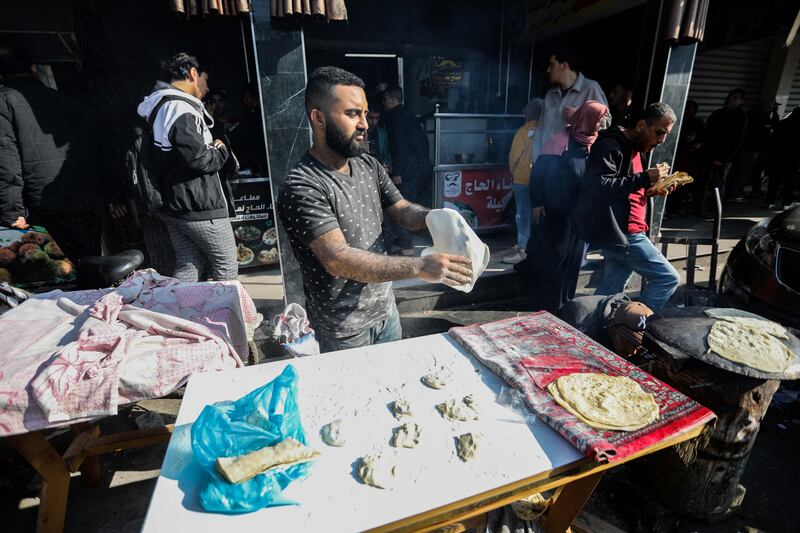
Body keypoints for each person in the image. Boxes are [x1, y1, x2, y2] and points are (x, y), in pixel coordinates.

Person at [278, 67, 473, 353]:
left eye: (365, 113)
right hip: (342, 329)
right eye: (352, 113)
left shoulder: (368, 165)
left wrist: (435, 217)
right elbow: (337, 258)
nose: (365, 124)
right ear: (318, 118)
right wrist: (420, 266)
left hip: (386, 314)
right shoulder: (302, 185)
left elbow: (402, 209)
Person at [136, 51, 237, 282]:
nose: (207, 87)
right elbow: (199, 159)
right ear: (193, 73)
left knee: (189, 264)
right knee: (226, 265)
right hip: (199, 205)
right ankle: (228, 317)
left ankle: (177, 314)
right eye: (206, 79)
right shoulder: (180, 108)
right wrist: (221, 149)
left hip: (177, 204)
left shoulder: (160, 107)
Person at [0, 48, 104, 262]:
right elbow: (96, 147)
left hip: (45, 203)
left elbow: (6, 160)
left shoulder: (4, 102)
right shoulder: (68, 101)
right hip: (86, 194)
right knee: (92, 261)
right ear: (34, 69)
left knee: (59, 267)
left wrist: (12, 211)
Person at [574, 102, 679, 312]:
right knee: (668, 278)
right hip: (626, 232)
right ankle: (633, 324)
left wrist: (652, 189)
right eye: (659, 133)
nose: (661, 141)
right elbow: (597, 186)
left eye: (665, 134)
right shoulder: (611, 145)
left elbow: (626, 188)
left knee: (610, 291)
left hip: (623, 233)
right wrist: (643, 178)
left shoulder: (636, 148)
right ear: (641, 125)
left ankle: (597, 327)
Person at [523, 100, 608, 312]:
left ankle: (564, 305)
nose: (601, 124)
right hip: (556, 213)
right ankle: (544, 306)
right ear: (584, 118)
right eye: (598, 119)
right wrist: (538, 203)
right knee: (554, 261)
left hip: (581, 215)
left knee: (573, 262)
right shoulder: (559, 142)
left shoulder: (595, 144)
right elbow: (538, 175)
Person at [532, 47, 610, 165]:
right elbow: (540, 131)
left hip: (574, 165)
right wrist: (535, 159)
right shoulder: (550, 95)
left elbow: (607, 122)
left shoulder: (591, 88)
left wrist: (581, 115)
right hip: (546, 163)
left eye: (552, 65)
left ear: (564, 65)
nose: (548, 70)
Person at [382, 85, 434, 255]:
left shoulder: (395, 117)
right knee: (419, 207)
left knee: (401, 209)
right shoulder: (410, 115)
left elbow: (398, 147)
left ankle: (407, 247)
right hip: (423, 168)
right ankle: (431, 241)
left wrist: (397, 171)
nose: (383, 103)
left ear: (391, 99)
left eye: (385, 100)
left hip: (408, 170)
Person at [502, 98, 542, 265]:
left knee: (523, 213)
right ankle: (536, 245)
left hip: (522, 179)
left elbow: (514, 156)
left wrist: (514, 171)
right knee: (538, 213)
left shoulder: (522, 131)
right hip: (540, 180)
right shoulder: (546, 130)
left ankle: (523, 246)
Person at [699, 89, 747, 208]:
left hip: (724, 157)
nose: (730, 99)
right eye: (730, 96)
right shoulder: (718, 113)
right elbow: (708, 132)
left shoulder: (740, 116)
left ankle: (714, 209)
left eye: (735, 98)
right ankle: (698, 205)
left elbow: (737, 140)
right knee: (703, 180)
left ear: (741, 101)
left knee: (718, 183)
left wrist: (723, 158)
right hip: (709, 153)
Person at [726, 97, 777, 202]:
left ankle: (735, 191)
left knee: (747, 171)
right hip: (750, 148)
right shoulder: (755, 116)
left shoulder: (763, 115)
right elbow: (764, 129)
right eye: (769, 106)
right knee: (743, 172)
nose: (770, 108)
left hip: (755, 148)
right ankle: (731, 194)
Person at [227, 82, 268, 175]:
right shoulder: (251, 114)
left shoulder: (254, 116)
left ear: (255, 98)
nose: (245, 101)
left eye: (247, 98)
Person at [765, 106, 800, 209]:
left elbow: (771, 142)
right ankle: (786, 203)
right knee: (789, 182)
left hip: (777, 157)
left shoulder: (781, 124)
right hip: (793, 159)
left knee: (774, 181)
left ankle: (770, 202)